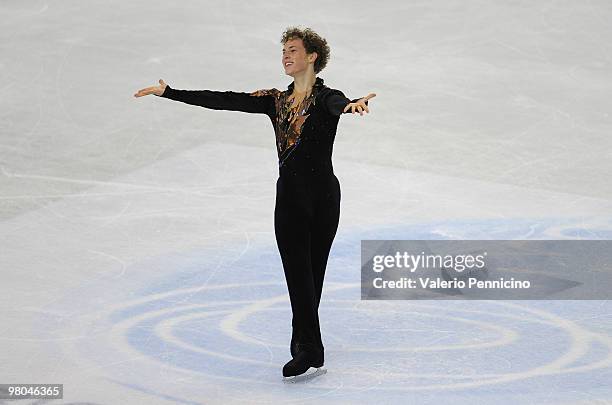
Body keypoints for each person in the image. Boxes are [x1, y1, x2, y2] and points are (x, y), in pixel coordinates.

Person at [134, 26, 376, 378]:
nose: (286, 56)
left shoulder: (328, 97)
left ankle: (304, 344)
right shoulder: (275, 100)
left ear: (312, 56)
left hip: (324, 198)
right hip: (290, 199)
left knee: (314, 275)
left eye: (293, 50)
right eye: (283, 52)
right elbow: (224, 99)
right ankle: (310, 349)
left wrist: (353, 106)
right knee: (297, 274)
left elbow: (339, 104)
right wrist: (170, 92)